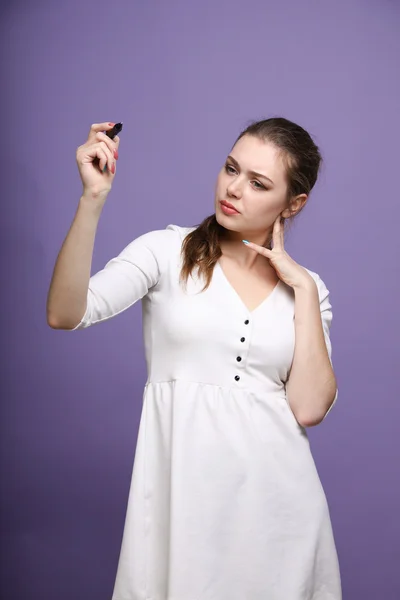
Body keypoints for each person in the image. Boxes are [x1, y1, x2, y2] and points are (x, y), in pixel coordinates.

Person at [47, 117, 341, 599]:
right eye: (231, 168)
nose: (233, 188)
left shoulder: (309, 292)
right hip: (183, 510)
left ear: (294, 204)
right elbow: (65, 312)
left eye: (258, 182)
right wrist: (92, 200)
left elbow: (309, 408)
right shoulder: (166, 251)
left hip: (282, 515)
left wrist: (304, 289)